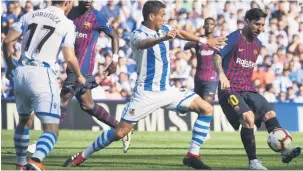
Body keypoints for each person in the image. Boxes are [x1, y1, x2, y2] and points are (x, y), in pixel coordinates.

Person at [63, 0, 226, 169]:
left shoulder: (164, 29)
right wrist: (162, 38)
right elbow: (143, 44)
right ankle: (82, 155)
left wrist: (204, 41)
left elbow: (181, 33)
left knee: (206, 108)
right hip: (145, 94)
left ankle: (192, 155)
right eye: (162, 15)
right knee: (119, 133)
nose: (164, 19)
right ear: (151, 16)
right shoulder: (137, 34)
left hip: (167, 90)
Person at [212, 8, 301, 170]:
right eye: (257, 24)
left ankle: (284, 151)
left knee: (270, 114)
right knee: (248, 118)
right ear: (247, 21)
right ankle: (253, 162)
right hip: (229, 88)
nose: (261, 28)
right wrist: (222, 75)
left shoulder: (258, 44)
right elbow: (216, 55)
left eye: (263, 25)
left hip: (247, 88)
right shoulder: (234, 38)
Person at [2, 0, 86, 170]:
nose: (73, 7)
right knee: (52, 128)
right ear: (67, 2)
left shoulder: (30, 15)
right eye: (72, 4)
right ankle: (36, 160)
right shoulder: (66, 23)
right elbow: (69, 56)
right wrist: (79, 76)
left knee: (24, 121)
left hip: (21, 71)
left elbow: (6, 41)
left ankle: (20, 164)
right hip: (41, 73)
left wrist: (10, 65)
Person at [60, 0, 132, 154]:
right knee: (88, 105)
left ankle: (42, 143)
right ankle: (122, 128)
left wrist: (114, 61)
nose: (87, 1)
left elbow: (114, 36)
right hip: (72, 65)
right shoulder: (70, 12)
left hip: (83, 68)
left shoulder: (97, 17)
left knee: (62, 101)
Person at [184, 17, 218, 141]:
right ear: (203, 26)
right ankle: (202, 128)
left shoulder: (218, 41)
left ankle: (205, 130)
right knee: (199, 107)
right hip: (198, 77)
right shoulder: (199, 40)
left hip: (212, 78)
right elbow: (186, 45)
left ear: (215, 26)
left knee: (206, 104)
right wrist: (197, 43)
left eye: (211, 24)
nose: (209, 26)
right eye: (207, 24)